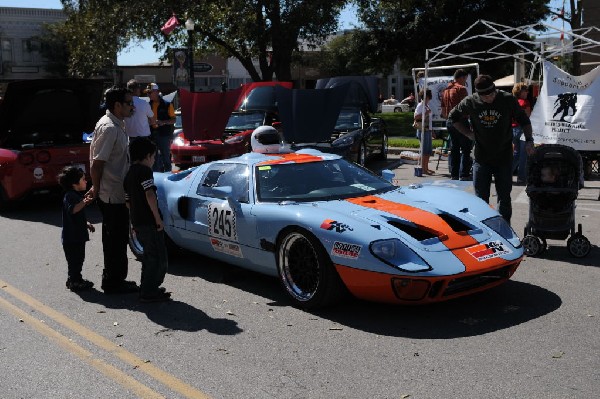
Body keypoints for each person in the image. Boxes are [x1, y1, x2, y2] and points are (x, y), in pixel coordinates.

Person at [448, 75, 535, 224]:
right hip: (481, 158)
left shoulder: (506, 99)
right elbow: (452, 117)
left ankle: (505, 229)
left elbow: (524, 119)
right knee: (481, 199)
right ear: (479, 95)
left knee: (504, 198)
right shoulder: (471, 101)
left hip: (504, 157)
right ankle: (485, 229)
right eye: (486, 96)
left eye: (492, 94)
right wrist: (468, 133)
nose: (490, 98)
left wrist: (529, 140)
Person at [87, 86, 139, 294]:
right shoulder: (109, 127)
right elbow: (97, 164)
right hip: (110, 194)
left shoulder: (118, 124)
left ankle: (116, 278)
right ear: (117, 105)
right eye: (129, 103)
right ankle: (112, 281)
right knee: (114, 240)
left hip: (117, 191)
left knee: (117, 238)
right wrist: (96, 188)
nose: (132, 106)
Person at [124, 138, 171, 302]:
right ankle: (149, 291)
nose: (154, 161)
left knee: (149, 256)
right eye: (153, 157)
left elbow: (128, 201)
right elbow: (150, 194)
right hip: (149, 222)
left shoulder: (129, 174)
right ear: (147, 156)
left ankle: (148, 287)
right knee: (158, 257)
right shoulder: (144, 172)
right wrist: (157, 218)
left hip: (138, 222)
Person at [58, 166, 95, 292]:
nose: (86, 181)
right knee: (75, 261)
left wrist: (86, 223)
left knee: (78, 259)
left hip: (77, 236)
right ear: (74, 183)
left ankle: (74, 279)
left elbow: (76, 215)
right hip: (72, 238)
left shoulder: (75, 195)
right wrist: (84, 201)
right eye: (83, 179)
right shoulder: (70, 196)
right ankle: (75, 281)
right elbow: (73, 209)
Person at [442, 69, 473, 181]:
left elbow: (443, 110)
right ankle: (464, 174)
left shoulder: (446, 90)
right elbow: (466, 106)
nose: (465, 81)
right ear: (461, 78)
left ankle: (454, 174)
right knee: (465, 148)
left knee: (454, 148)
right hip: (460, 120)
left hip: (449, 121)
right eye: (465, 79)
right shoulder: (461, 89)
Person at [147, 83, 176, 172]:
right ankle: (155, 177)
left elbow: (174, 120)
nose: (148, 94)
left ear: (156, 92)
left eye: (150, 92)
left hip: (163, 135)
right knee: (153, 158)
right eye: (147, 92)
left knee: (166, 157)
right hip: (151, 134)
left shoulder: (167, 104)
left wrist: (163, 122)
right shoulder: (147, 105)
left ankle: (168, 176)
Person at [511, 82, 532, 184]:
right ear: (521, 92)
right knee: (523, 155)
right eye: (526, 90)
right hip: (522, 129)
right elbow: (527, 116)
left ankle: (506, 174)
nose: (527, 92)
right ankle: (521, 177)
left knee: (516, 153)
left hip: (513, 129)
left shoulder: (513, 101)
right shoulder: (525, 102)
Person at [414, 89, 435, 175]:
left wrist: (432, 130)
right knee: (424, 151)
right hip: (422, 130)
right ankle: (423, 169)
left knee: (428, 150)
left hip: (427, 130)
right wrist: (426, 113)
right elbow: (416, 117)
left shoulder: (426, 105)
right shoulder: (420, 105)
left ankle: (426, 167)